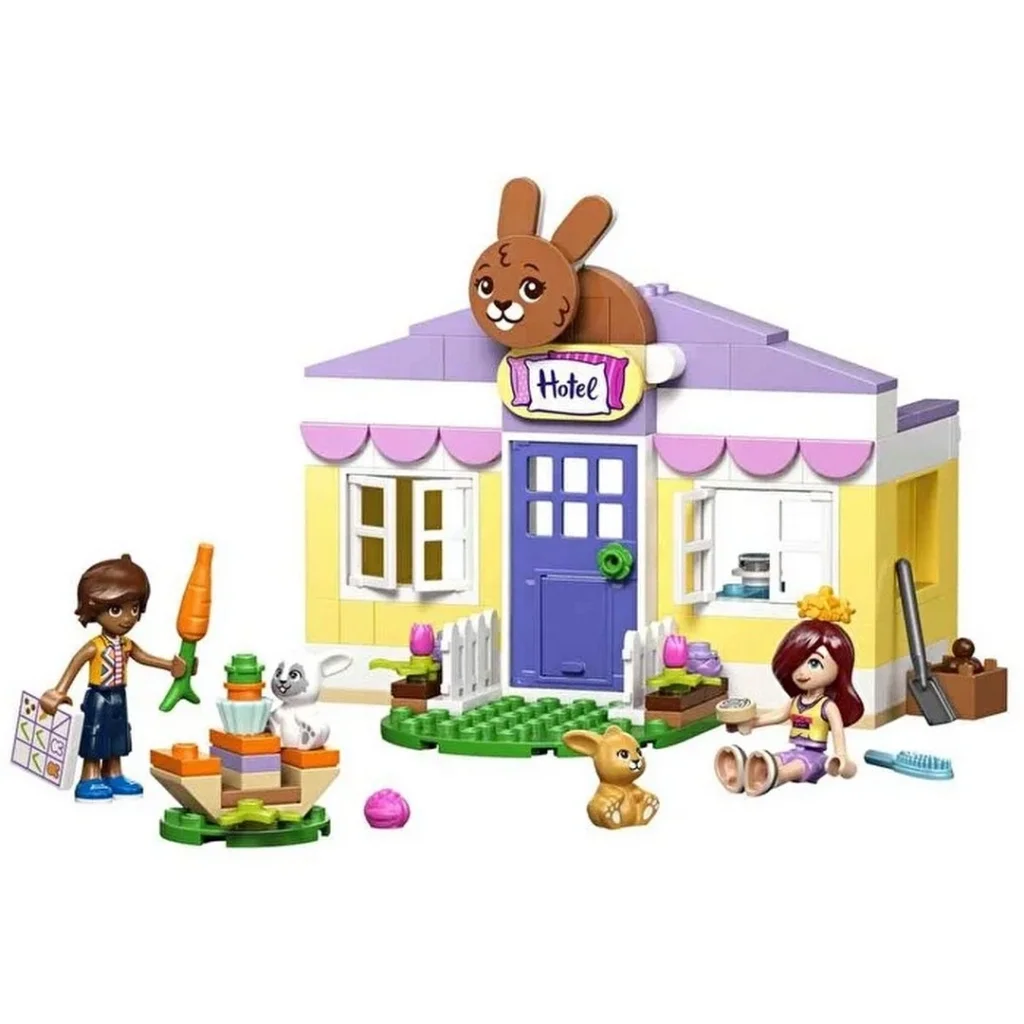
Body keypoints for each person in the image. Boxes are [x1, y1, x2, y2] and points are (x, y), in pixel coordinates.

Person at [40, 554, 186, 803]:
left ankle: (114, 773)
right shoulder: (95, 646)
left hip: (119, 696)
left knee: (118, 735)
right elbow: (75, 664)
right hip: (99, 697)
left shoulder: (127, 644)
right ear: (94, 607)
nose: (128, 618)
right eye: (116, 609)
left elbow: (143, 657)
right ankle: (89, 777)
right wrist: (59, 691)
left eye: (134, 608)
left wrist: (171, 667)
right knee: (95, 735)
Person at [714, 586, 863, 797]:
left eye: (814, 663)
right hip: (793, 750)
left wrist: (841, 757)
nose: (801, 672)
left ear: (840, 667)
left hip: (815, 759)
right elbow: (775, 716)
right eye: (795, 663)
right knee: (774, 759)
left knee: (793, 768)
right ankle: (742, 773)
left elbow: (838, 732)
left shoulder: (827, 707)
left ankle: (772, 778)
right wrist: (750, 723)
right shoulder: (796, 701)